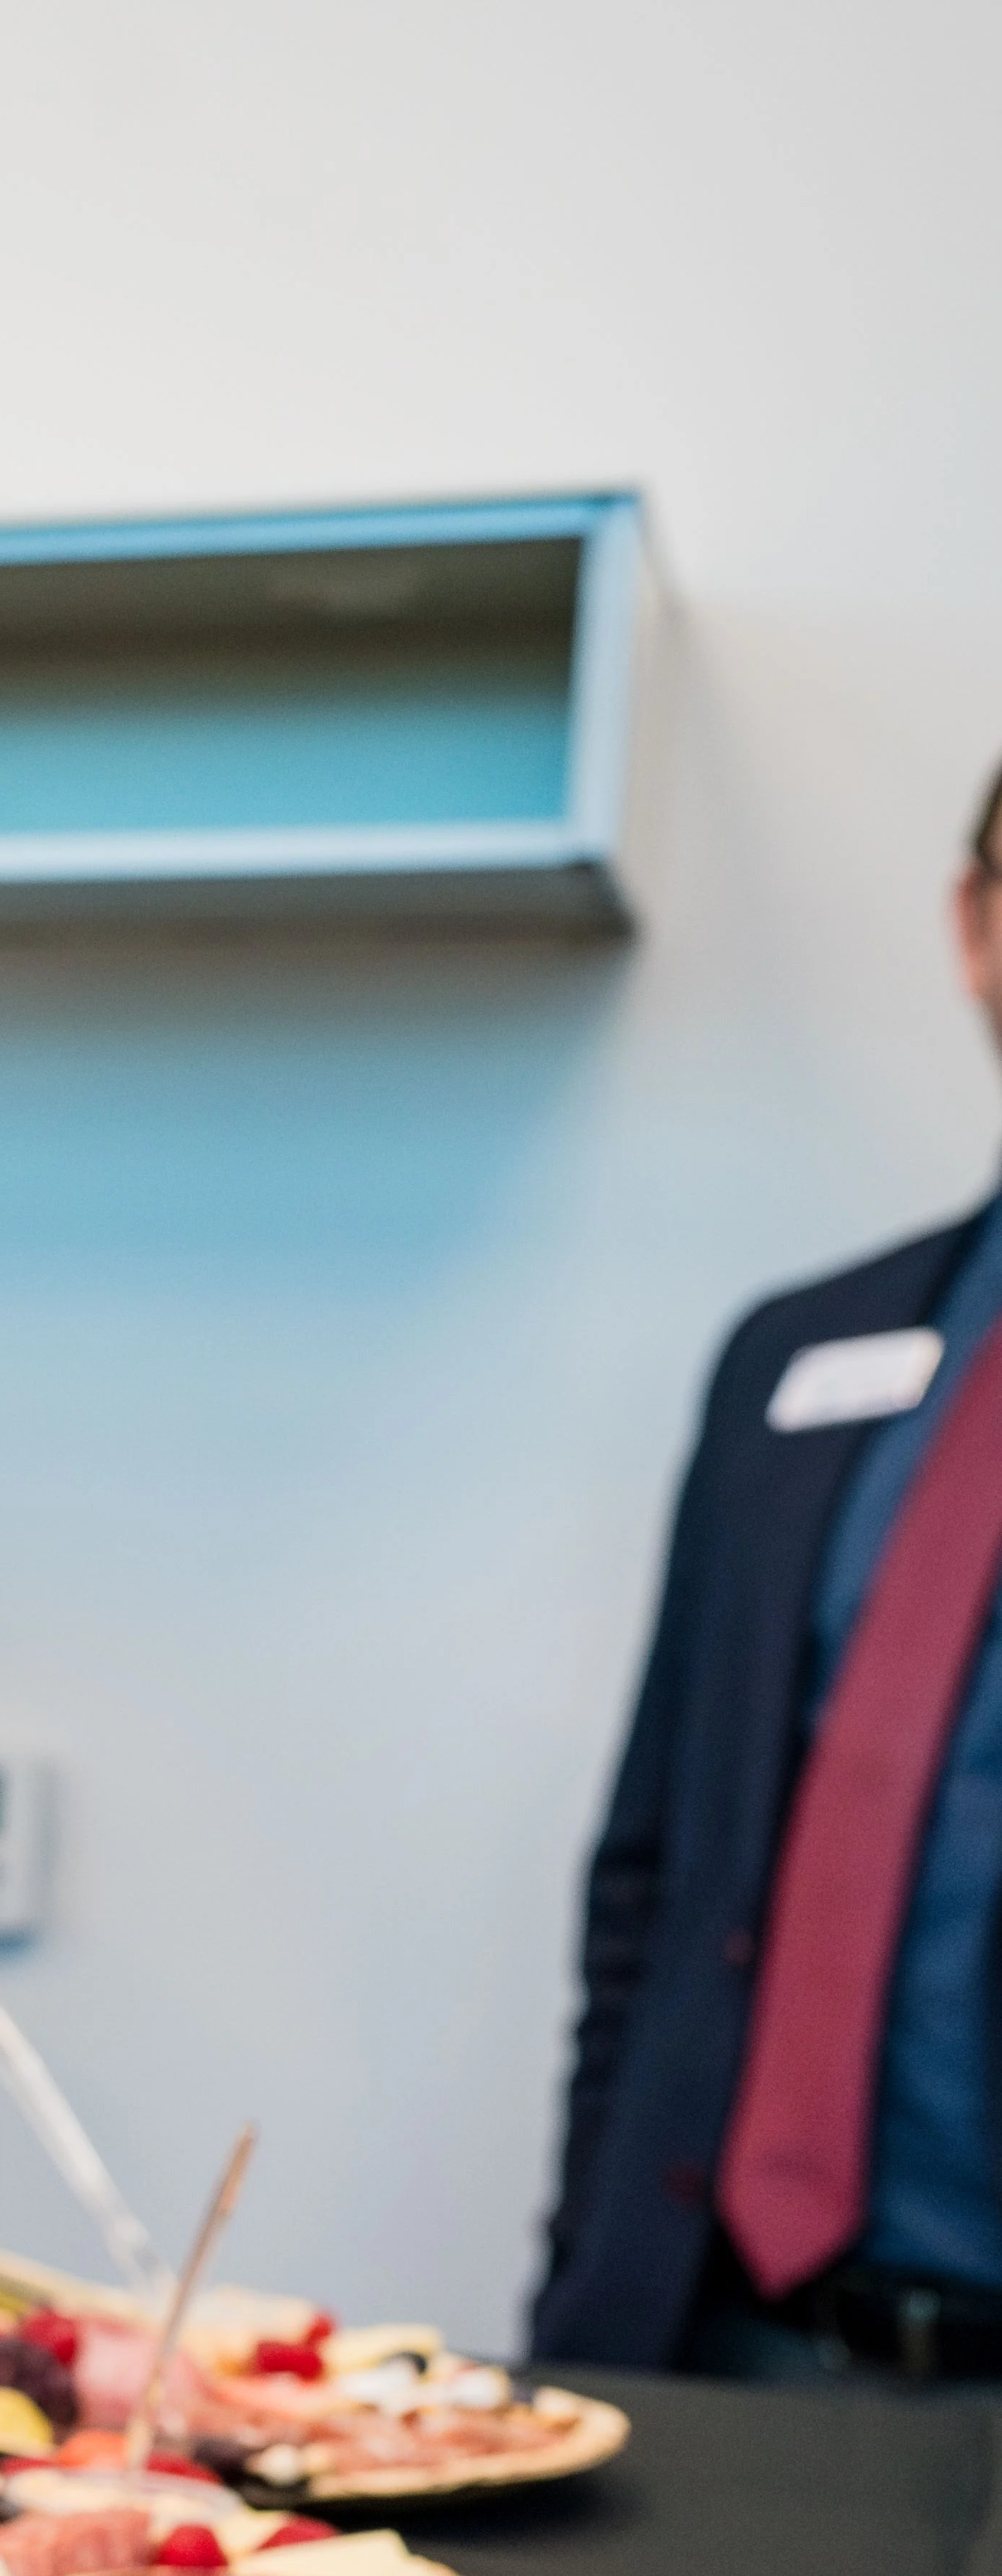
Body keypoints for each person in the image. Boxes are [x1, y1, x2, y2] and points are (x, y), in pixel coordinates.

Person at [543, 764, 1002, 2379]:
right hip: (733, 2346)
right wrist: (584, 2312)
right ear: (974, 928)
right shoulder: (800, 1364)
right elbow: (654, 1877)